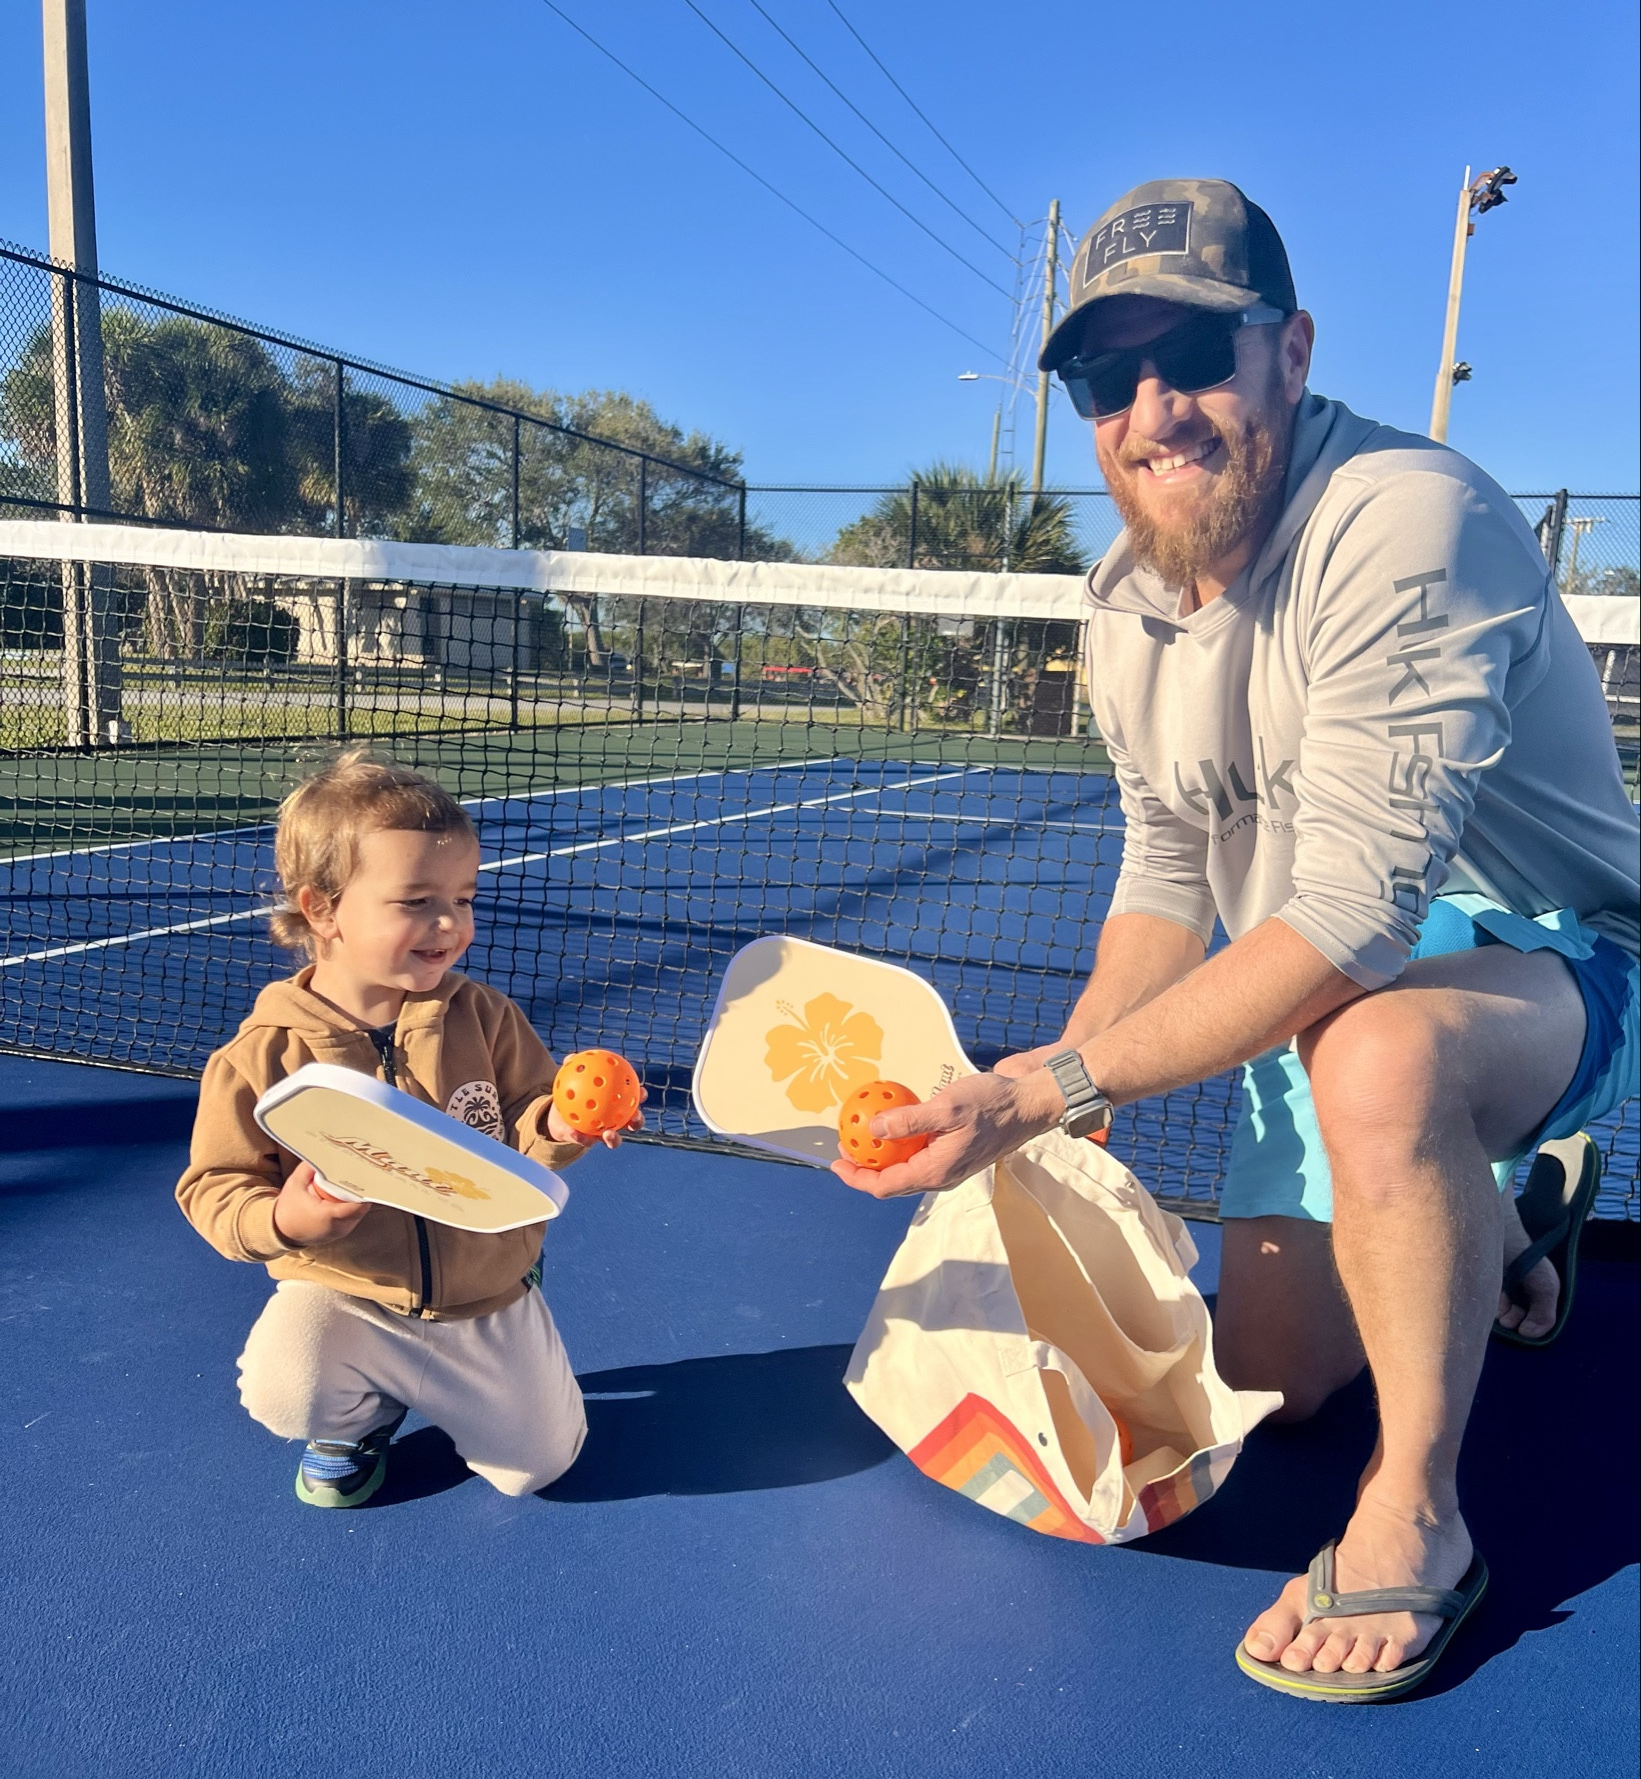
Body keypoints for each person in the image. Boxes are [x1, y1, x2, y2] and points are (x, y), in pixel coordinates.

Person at [834, 179, 1639, 1701]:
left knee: (1380, 1045)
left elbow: (1348, 927)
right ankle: (1521, 1212)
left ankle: (1421, 1517)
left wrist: (1036, 1095)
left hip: (1556, 959)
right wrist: (1057, 1115)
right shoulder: (1122, 606)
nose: (1152, 407)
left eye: (1195, 350)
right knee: (1275, 1379)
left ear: (1291, 348)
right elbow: (1163, 882)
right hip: (1327, 986)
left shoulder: (1405, 518)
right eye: (1102, 375)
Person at [177, 751, 639, 1508]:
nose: (450, 924)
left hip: (482, 1294)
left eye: (463, 897)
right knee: (281, 1392)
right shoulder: (260, 1056)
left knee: (539, 1471)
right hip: (347, 1291)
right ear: (322, 909)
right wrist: (283, 1219)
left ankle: (515, 1303)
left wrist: (559, 1120)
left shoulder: (486, 1018)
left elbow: (525, 1120)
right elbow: (213, 1189)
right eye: (416, 901)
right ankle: (356, 1421)